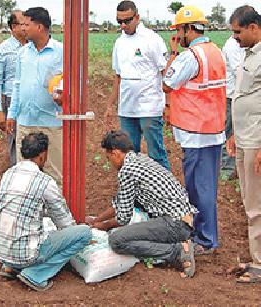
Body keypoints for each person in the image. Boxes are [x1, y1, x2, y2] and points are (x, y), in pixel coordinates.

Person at [87, 130, 197, 278]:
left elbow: (123, 218)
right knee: (132, 232)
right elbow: (121, 202)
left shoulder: (127, 170)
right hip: (183, 220)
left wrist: (103, 226)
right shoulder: (140, 159)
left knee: (117, 240)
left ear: (115, 153)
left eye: (109, 158)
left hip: (174, 224)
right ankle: (177, 248)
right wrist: (97, 220)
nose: (110, 163)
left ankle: (177, 252)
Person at [162, 6, 226, 255]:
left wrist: (174, 51)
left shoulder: (191, 56)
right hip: (212, 128)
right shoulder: (215, 52)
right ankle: (205, 235)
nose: (178, 34)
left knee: (199, 188)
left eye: (179, 29)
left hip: (196, 132)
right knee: (206, 185)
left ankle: (205, 239)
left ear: (188, 29)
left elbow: (168, 83)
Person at [0, 132, 92, 291]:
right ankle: (35, 274)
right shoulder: (45, 182)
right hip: (26, 255)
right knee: (84, 233)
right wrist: (76, 232)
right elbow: (64, 221)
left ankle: (10, 267)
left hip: (1, 251)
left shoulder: (8, 174)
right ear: (42, 155)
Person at [105, 0, 170, 170]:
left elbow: (165, 72)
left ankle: (166, 192)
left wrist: (168, 103)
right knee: (129, 155)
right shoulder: (119, 43)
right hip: (127, 107)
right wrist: (110, 105)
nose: (123, 26)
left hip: (149, 105)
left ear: (137, 17)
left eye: (127, 21)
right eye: (119, 22)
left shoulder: (152, 39)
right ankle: (134, 192)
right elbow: (118, 76)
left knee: (156, 154)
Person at [6, 7, 63, 186]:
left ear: (39, 27)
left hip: (51, 122)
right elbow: (17, 85)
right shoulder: (23, 53)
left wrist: (64, 96)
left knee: (53, 173)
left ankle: (53, 212)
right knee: (24, 174)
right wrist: (11, 114)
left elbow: (74, 83)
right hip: (25, 121)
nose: (23, 28)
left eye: (26, 24)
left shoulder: (61, 52)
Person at [227, 6, 261, 284]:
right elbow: (244, 98)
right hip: (245, 138)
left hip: (257, 142)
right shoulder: (249, 55)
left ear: (253, 28)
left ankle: (260, 265)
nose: (235, 37)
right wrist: (236, 133)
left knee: (256, 205)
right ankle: (255, 259)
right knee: (249, 201)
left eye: (238, 32)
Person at [0, 10, 27, 166]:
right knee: (16, 143)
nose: (27, 27)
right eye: (23, 23)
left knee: (32, 142)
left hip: (31, 100)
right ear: (14, 27)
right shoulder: (3, 50)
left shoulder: (34, 46)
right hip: (12, 101)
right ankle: (17, 177)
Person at [220, 36, 244, 180]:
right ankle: (228, 169)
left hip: (241, 95)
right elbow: (240, 73)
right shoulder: (232, 46)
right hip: (231, 95)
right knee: (229, 132)